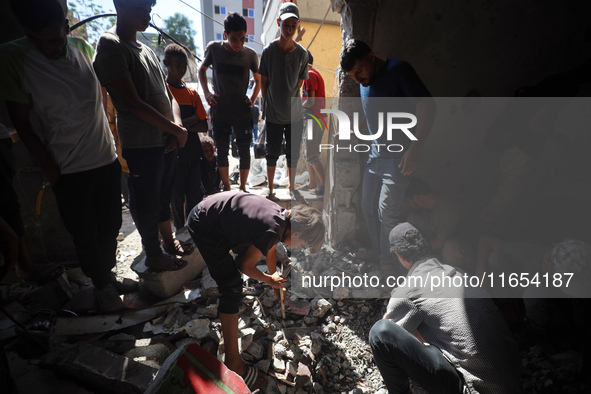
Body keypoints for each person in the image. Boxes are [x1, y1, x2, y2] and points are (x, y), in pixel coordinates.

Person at [0, 0, 123, 312]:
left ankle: (106, 275)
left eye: (54, 39)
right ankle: (102, 284)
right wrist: (49, 169)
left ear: (67, 26)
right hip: (68, 168)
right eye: (36, 39)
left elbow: (101, 100)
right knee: (85, 233)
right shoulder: (13, 57)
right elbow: (21, 123)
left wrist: (116, 143)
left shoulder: (84, 47)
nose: (47, 48)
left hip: (104, 158)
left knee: (110, 224)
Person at [187, 191, 325, 390]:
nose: (299, 247)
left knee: (241, 257)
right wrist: (269, 279)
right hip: (204, 224)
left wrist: (273, 278)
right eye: (302, 244)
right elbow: (245, 266)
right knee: (232, 287)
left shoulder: (281, 218)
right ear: (297, 234)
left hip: (213, 212)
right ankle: (234, 361)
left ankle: (231, 332)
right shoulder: (271, 230)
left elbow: (269, 246)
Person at [94, 0, 190, 271]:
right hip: (141, 142)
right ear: (121, 5)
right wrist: (175, 130)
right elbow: (132, 103)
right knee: (146, 202)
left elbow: (169, 94)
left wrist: (178, 129)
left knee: (163, 198)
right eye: (142, 7)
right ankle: (154, 254)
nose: (148, 13)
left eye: (150, 7)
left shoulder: (146, 50)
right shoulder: (111, 45)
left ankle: (168, 243)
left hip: (166, 141)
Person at [370, 222, 520, 393]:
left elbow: (393, 336)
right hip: (513, 382)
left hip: (474, 389)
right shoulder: (459, 272)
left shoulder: (409, 289)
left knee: (380, 333)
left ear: (398, 255)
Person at [340, 39, 435, 275]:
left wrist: (415, 148)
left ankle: (389, 262)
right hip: (375, 155)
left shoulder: (399, 70)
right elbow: (369, 108)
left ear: (371, 56)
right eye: (353, 76)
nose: (358, 79)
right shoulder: (365, 80)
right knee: (367, 205)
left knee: (387, 212)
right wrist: (357, 129)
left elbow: (427, 106)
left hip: (399, 158)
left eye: (359, 71)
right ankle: (378, 249)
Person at [198, 12, 260, 192]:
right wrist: (207, 93)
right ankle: (227, 187)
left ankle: (242, 188)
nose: (238, 43)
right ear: (225, 35)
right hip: (220, 111)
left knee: (244, 152)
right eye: (234, 39)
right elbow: (202, 71)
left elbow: (258, 80)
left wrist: (253, 98)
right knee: (222, 152)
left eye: (242, 38)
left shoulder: (250, 55)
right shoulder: (214, 49)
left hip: (242, 111)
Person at [259, 2, 309, 201]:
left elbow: (300, 82)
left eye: (293, 26)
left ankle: (291, 186)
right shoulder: (269, 51)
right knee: (271, 152)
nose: (289, 30)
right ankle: (270, 188)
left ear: (297, 25)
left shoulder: (302, 54)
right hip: (273, 112)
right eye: (285, 25)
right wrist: (267, 104)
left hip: (295, 113)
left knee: (292, 153)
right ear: (278, 23)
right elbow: (264, 81)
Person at [164, 43, 209, 231]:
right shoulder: (164, 91)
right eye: (177, 65)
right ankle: (180, 231)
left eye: (183, 66)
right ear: (166, 63)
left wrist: (181, 125)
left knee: (194, 195)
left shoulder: (191, 93)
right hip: (173, 154)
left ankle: (193, 230)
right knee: (176, 197)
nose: (181, 69)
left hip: (192, 153)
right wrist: (192, 120)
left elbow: (204, 124)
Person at [404, 177, 473, 269]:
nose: (409, 205)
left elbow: (440, 242)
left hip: (457, 250)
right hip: (437, 245)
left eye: (409, 202)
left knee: (451, 247)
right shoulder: (426, 208)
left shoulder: (447, 210)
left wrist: (417, 251)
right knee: (412, 218)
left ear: (417, 198)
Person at [300, 51, 326, 195]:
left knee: (311, 153)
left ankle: (324, 185)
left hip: (314, 118)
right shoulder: (309, 75)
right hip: (311, 118)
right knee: (307, 152)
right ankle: (312, 183)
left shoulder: (310, 75)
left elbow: (310, 101)